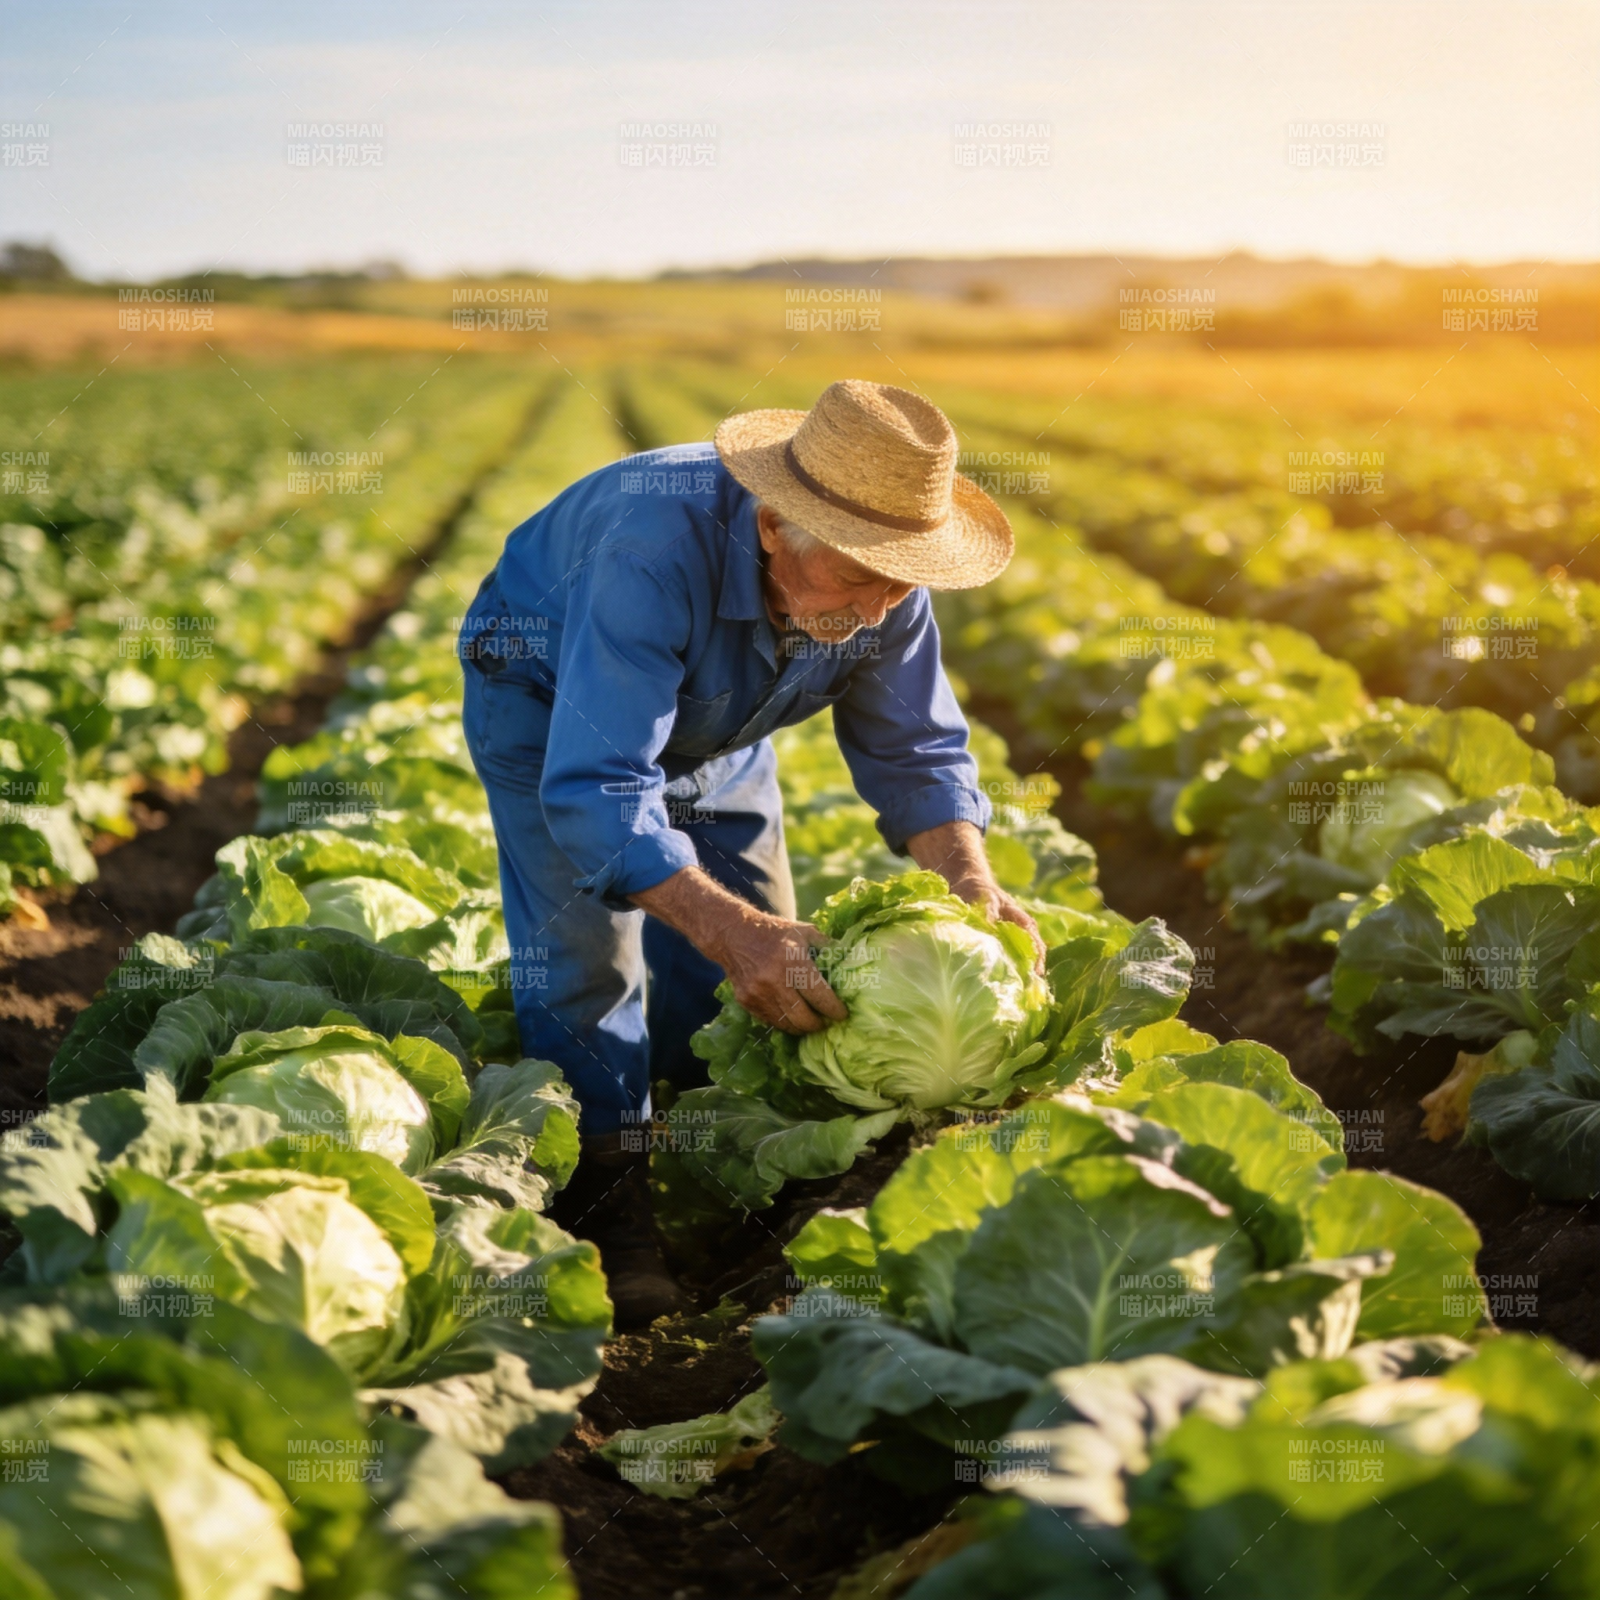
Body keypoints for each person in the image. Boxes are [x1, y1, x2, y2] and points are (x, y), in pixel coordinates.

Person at [458, 379, 1039, 1326]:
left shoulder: (880, 593)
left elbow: (918, 751)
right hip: (553, 702)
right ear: (774, 526)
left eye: (902, 580)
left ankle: (717, 1165)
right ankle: (612, 1209)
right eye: (860, 579)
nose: (879, 605)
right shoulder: (649, 552)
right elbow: (602, 783)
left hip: (723, 721)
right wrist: (729, 930)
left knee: (752, 946)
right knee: (587, 958)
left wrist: (969, 878)